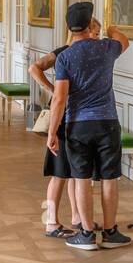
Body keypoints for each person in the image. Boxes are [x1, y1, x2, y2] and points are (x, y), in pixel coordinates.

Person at [45, 1, 131, 251]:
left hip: (78, 124)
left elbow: (60, 99)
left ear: (70, 28)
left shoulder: (66, 57)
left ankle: (86, 234)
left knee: (81, 178)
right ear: (90, 24)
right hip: (107, 122)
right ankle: (111, 232)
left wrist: (52, 132)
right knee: (109, 178)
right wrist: (111, 28)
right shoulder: (106, 47)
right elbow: (124, 41)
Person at [29, 18, 99, 239]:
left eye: (98, 33)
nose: (97, 37)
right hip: (63, 117)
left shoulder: (90, 54)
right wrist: (53, 90)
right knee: (59, 173)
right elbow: (34, 68)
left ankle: (78, 216)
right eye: (95, 32)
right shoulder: (64, 53)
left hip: (79, 117)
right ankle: (51, 222)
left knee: (74, 172)